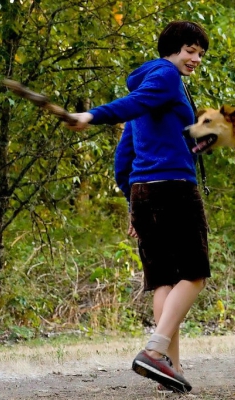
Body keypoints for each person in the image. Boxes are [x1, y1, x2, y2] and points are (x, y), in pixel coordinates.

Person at [65, 20, 210, 394]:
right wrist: (93, 115)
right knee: (194, 274)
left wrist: (133, 202)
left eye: (199, 54)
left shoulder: (152, 87)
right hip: (174, 189)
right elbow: (132, 106)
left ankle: (168, 370)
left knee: (164, 279)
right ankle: (155, 350)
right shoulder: (164, 76)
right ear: (172, 49)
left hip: (145, 191)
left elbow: (124, 157)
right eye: (190, 51)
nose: (195, 59)